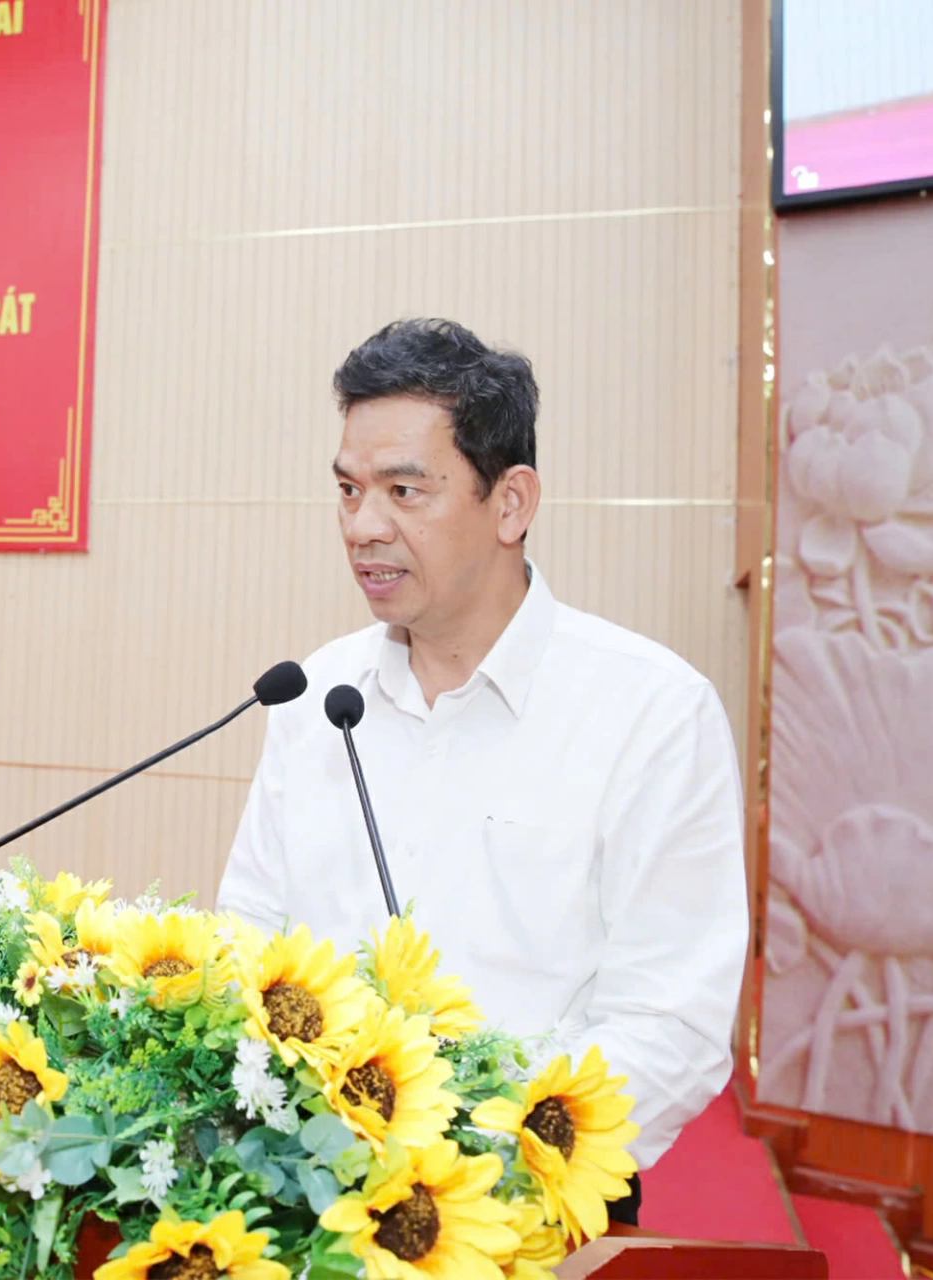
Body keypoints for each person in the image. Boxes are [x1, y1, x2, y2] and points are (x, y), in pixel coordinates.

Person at [215, 318, 748, 1220]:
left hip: (529, 1209)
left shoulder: (651, 712)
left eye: (404, 491)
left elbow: (672, 1026)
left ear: (511, 503)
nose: (363, 526)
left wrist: (469, 1166)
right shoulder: (316, 692)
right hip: (304, 1190)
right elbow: (250, 931)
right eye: (348, 491)